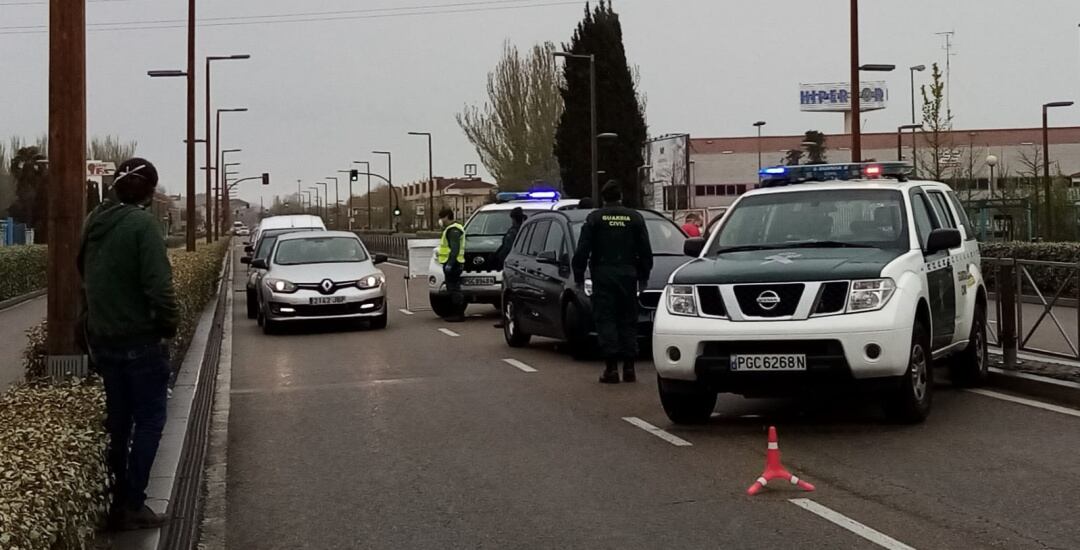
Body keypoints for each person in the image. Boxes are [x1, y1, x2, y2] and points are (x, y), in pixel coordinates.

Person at [79, 158, 179, 531]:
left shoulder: (94, 222)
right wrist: (167, 325)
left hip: (103, 340)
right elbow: (159, 287)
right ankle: (134, 503)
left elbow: (82, 272)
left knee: (119, 423)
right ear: (151, 193)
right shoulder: (142, 226)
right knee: (151, 420)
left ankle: (116, 497)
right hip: (140, 340)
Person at [572, 180, 653, 383]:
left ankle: (611, 368)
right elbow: (645, 251)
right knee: (628, 319)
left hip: (603, 274)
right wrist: (643, 275)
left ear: (603, 198)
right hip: (628, 274)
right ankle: (629, 368)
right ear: (621, 197)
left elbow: (582, 250)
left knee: (606, 318)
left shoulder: (595, 219)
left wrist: (579, 276)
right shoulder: (635, 217)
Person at [493, 207, 526, 329]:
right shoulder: (526, 229)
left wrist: (497, 259)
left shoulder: (513, 232)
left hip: (511, 266)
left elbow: (506, 249)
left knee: (508, 293)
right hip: (523, 266)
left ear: (513, 219)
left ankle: (506, 319)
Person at [436, 207, 466, 322]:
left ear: (447, 217)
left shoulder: (453, 230)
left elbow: (454, 249)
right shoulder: (451, 229)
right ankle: (456, 313)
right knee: (453, 288)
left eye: (442, 217)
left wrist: (450, 264)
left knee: (454, 289)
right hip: (455, 262)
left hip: (454, 263)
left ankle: (458, 314)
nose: (440, 220)